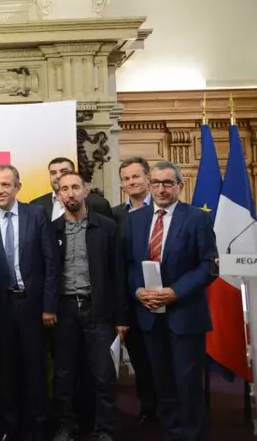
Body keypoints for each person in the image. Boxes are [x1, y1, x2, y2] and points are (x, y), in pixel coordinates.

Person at [125, 161, 216, 441]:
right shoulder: (135, 219)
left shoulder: (197, 219)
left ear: (180, 185)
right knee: (162, 383)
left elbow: (208, 266)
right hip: (150, 315)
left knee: (187, 385)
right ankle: (172, 434)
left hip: (185, 314)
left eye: (167, 183)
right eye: (156, 183)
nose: (161, 189)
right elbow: (128, 264)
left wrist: (175, 291)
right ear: (149, 186)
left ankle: (192, 436)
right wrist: (138, 291)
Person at [0, 164, 58, 441]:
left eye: (5, 185)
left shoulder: (36, 215)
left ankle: (38, 425)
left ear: (17, 187)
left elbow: (51, 262)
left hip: (33, 306)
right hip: (1, 308)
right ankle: (10, 425)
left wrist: (49, 306)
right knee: (6, 369)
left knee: (35, 368)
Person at [50, 172, 128, 441]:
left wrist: (121, 316)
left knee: (104, 375)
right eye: (64, 189)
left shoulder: (106, 227)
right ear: (58, 195)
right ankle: (66, 425)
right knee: (63, 374)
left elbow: (118, 274)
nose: (70, 193)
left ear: (86, 190)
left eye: (75, 187)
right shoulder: (52, 230)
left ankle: (105, 428)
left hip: (99, 310)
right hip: (64, 310)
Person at [111, 157, 157, 426]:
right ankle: (148, 408)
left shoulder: (164, 209)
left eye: (136, 177)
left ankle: (170, 407)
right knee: (140, 358)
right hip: (132, 299)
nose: (131, 182)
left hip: (166, 297)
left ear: (148, 177)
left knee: (165, 359)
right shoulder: (116, 215)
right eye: (126, 179)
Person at [31, 157, 113, 220]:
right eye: (53, 173)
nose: (58, 176)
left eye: (63, 171)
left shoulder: (99, 204)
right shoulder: (36, 205)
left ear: (74, 173)